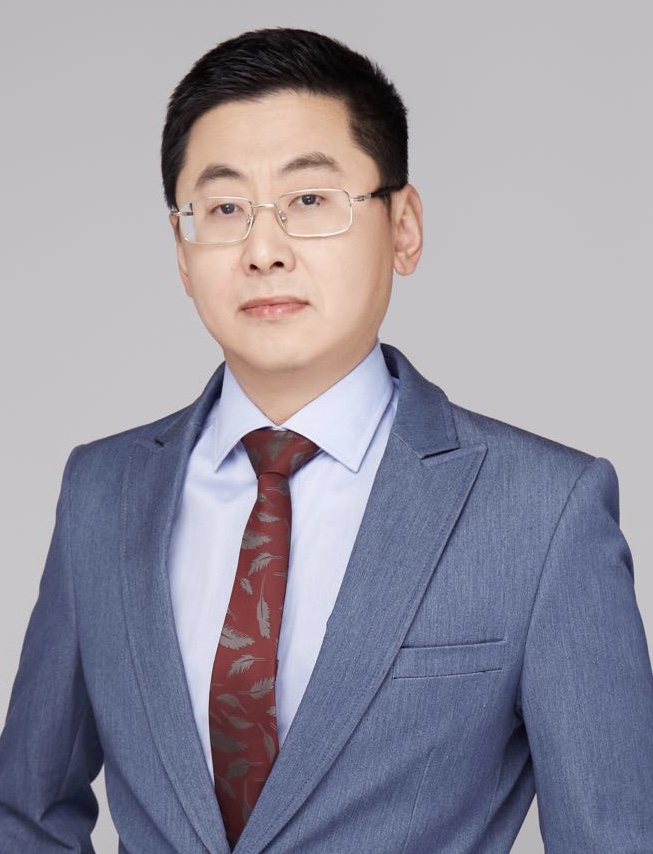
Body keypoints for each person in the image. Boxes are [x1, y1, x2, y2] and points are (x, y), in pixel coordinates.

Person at [0, 26, 652, 854]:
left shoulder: (542, 511)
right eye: (224, 209)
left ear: (403, 227)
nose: (262, 251)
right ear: (182, 251)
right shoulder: (101, 491)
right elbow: (24, 811)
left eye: (309, 200)